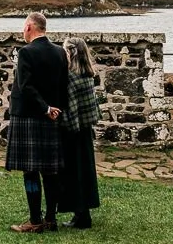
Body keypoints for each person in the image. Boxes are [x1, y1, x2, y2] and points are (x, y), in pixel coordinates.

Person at [5, 11, 69, 233]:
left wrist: (45, 108)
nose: (23, 31)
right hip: (52, 118)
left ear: (30, 27)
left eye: (24, 27)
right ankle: (50, 219)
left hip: (28, 117)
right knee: (50, 172)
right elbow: (63, 86)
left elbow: (26, 86)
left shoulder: (26, 52)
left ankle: (35, 220)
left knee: (30, 171)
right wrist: (56, 110)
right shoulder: (60, 52)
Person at [58, 37, 101, 230]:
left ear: (71, 52)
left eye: (65, 50)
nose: (62, 53)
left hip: (73, 131)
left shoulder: (71, 77)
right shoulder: (88, 73)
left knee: (74, 173)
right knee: (85, 171)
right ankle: (83, 213)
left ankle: (81, 216)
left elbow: (69, 108)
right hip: (85, 129)